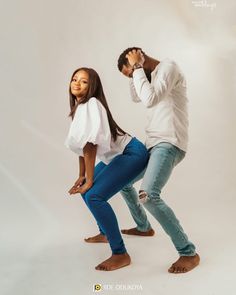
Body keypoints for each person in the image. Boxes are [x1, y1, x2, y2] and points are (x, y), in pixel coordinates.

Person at [115, 47, 200, 274]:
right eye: (129, 74)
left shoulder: (169, 67)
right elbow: (137, 96)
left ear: (140, 57)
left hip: (169, 143)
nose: (132, 75)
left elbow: (150, 99)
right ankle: (143, 227)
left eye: (131, 70)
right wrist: (135, 72)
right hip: (151, 144)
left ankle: (188, 253)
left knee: (149, 195)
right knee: (123, 181)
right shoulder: (147, 76)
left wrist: (137, 66)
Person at [64, 67, 149, 271]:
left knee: (94, 195)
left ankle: (120, 254)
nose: (77, 83)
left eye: (84, 81)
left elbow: (91, 145)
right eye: (74, 79)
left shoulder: (92, 104)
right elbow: (81, 145)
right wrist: (82, 175)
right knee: (87, 194)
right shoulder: (79, 108)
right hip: (117, 157)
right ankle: (104, 232)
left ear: (92, 86)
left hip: (131, 153)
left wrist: (90, 179)